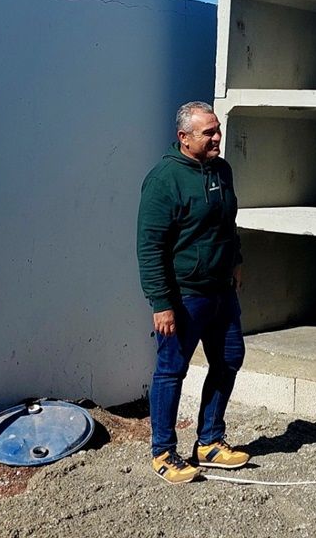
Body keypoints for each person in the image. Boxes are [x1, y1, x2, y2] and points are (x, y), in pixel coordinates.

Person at [137, 101, 249, 484]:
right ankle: (163, 452)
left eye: (218, 129)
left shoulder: (222, 170)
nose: (218, 137)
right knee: (171, 371)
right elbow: (150, 246)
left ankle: (210, 443)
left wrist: (235, 259)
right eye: (209, 133)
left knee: (230, 358)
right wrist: (161, 303)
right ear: (184, 138)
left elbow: (227, 222)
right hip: (185, 296)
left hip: (221, 291)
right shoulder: (164, 179)